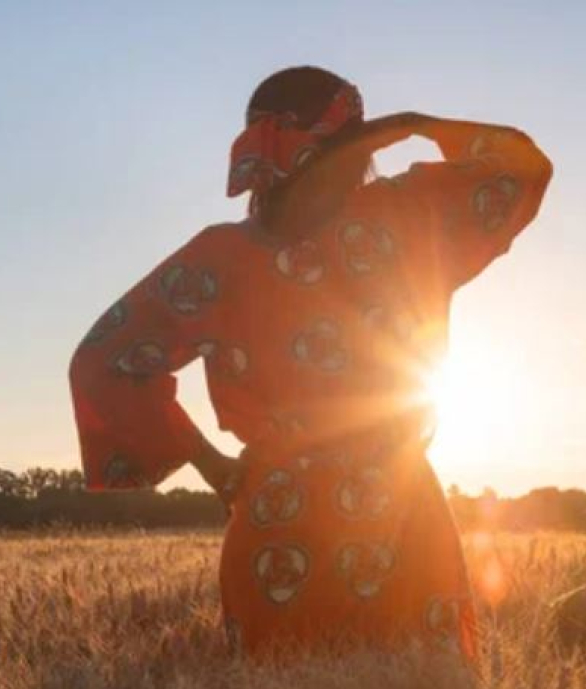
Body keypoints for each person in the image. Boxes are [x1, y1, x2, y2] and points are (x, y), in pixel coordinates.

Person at [69, 66, 551, 658]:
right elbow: (522, 168)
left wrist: (215, 468)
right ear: (348, 150)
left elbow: (102, 362)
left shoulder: (220, 259)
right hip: (401, 516)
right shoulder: (405, 216)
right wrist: (418, 127)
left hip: (276, 529)